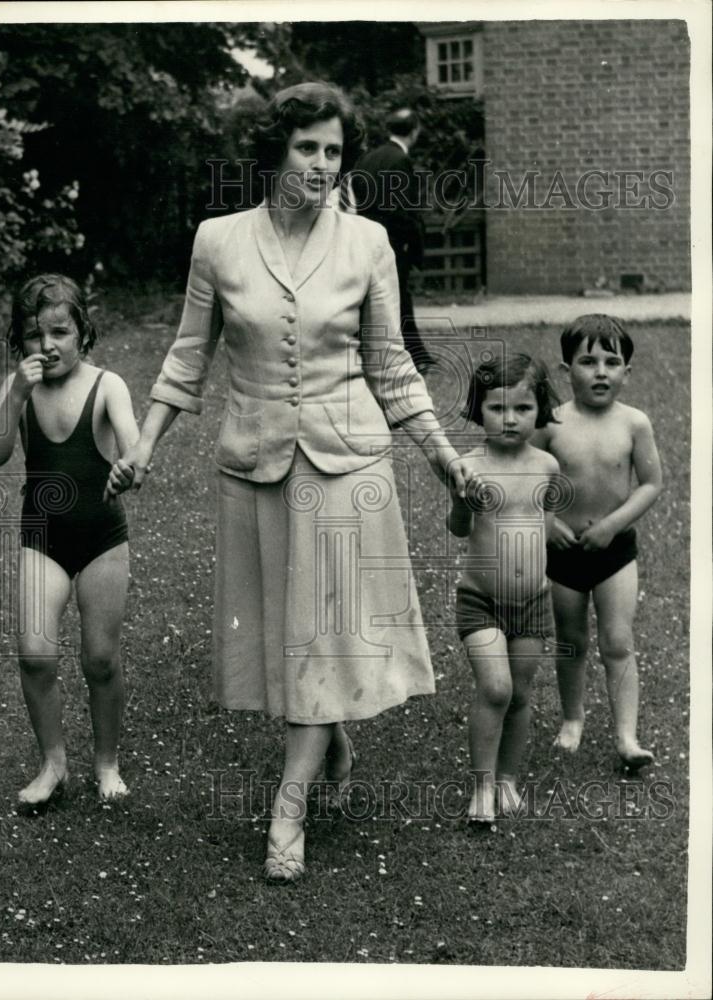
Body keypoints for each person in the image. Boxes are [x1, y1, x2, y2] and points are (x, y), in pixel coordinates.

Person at [105, 82, 472, 882]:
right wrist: (145, 445)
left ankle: (288, 809)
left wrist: (445, 459)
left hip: (348, 466)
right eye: (306, 147)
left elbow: (390, 365)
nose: (320, 164)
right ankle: (331, 735)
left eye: (333, 151)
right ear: (275, 152)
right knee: (287, 633)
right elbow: (186, 356)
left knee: (321, 629)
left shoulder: (368, 242)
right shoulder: (218, 240)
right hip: (256, 463)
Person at [0, 274, 139, 804]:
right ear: (19, 340)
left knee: (99, 659)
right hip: (41, 537)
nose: (47, 346)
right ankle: (53, 764)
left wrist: (127, 468)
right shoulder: (17, 388)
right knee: (34, 654)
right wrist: (18, 391)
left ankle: (107, 763)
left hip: (101, 539)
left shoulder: (107, 384)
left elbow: (134, 450)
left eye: (59, 332)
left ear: (82, 332)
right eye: (33, 335)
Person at [532, 315, 662, 769]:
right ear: (566, 370)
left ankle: (627, 737)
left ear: (629, 370)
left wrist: (612, 524)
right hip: (563, 552)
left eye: (613, 361)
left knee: (618, 640)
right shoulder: (551, 424)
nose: (601, 371)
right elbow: (526, 478)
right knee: (571, 640)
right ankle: (572, 719)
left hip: (615, 553)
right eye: (588, 361)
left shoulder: (634, 423)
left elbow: (651, 482)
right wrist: (546, 522)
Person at [448, 354, 561, 823]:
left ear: (541, 410)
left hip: (533, 603)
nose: (510, 419)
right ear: (479, 410)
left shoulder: (547, 465)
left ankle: (508, 778)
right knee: (495, 688)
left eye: (522, 408)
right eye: (497, 409)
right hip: (481, 600)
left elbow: (545, 528)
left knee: (520, 694)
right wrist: (462, 501)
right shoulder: (469, 466)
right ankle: (482, 786)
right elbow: (458, 528)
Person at [351, 108, 434, 372]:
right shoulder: (400, 160)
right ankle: (415, 356)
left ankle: (411, 354)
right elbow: (403, 209)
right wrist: (411, 241)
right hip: (393, 242)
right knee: (397, 297)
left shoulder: (368, 159)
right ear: (414, 131)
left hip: (365, 238)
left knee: (376, 298)